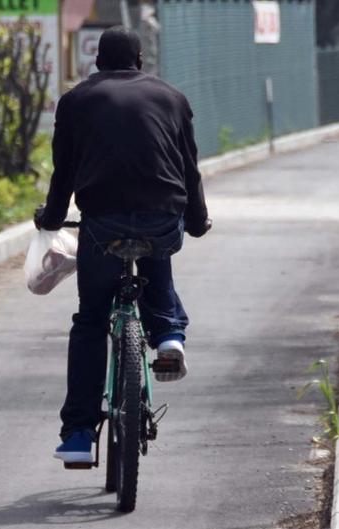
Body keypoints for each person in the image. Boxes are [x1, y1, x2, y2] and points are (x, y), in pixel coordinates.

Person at [33, 28, 211, 464]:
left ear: (98, 62)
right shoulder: (172, 98)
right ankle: (169, 337)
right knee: (156, 253)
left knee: (91, 319)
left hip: (102, 223)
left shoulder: (75, 101)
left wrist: (52, 220)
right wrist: (197, 219)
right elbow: (189, 168)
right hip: (163, 215)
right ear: (140, 60)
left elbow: (65, 172)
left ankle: (77, 435)